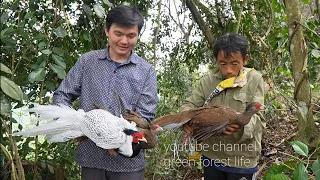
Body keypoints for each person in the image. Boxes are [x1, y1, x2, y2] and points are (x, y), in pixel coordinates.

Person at [53, 5, 158, 180]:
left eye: (131, 35)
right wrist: (73, 124)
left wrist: (115, 141)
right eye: (118, 33)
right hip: (91, 158)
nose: (124, 41)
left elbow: (145, 116)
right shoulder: (87, 62)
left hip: (128, 163)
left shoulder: (146, 71)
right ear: (107, 31)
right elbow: (62, 95)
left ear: (138, 35)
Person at [182, 34, 265, 180]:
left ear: (245, 59)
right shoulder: (208, 80)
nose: (228, 70)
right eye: (222, 63)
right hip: (212, 156)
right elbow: (189, 105)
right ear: (216, 61)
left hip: (242, 159)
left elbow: (260, 119)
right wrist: (186, 120)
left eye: (234, 63)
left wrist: (242, 126)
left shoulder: (255, 79)